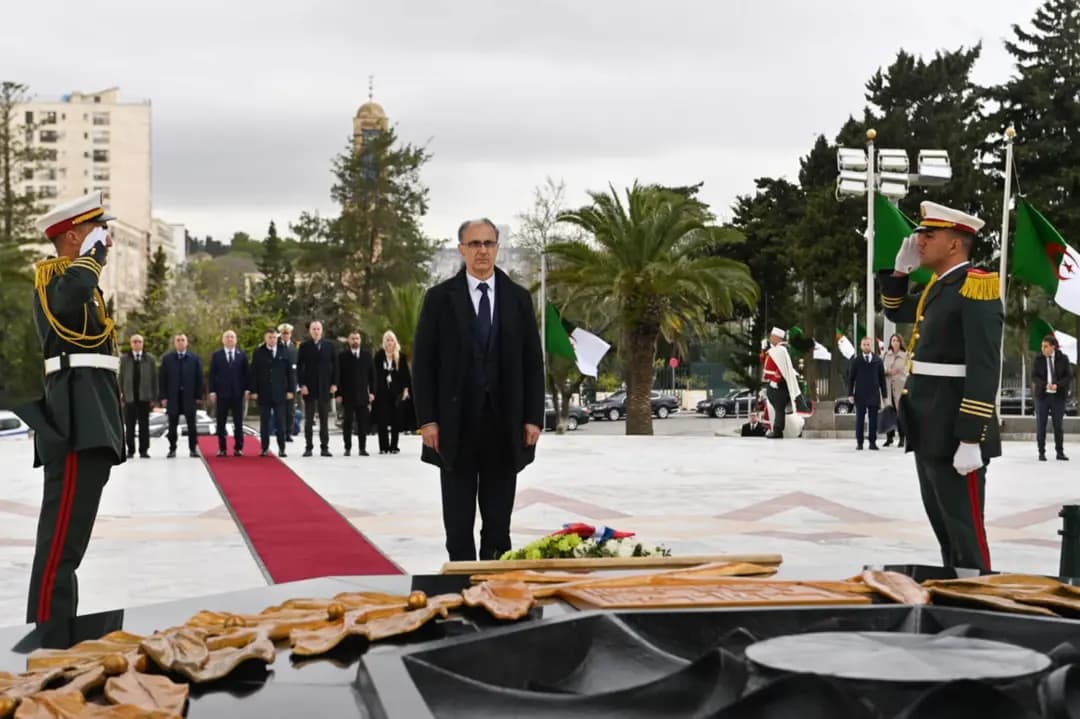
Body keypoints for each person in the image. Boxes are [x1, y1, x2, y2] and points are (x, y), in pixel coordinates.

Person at [14, 191, 124, 624]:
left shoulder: (79, 283)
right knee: (59, 547)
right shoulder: (57, 282)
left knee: (68, 547)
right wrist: (92, 256)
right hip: (76, 425)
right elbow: (68, 296)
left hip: (92, 421)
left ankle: (56, 630)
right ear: (77, 236)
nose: (109, 243)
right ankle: (45, 638)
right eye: (101, 233)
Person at [413, 218, 544, 561]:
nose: (482, 250)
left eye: (488, 243)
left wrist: (533, 418)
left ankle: (496, 590)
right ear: (462, 250)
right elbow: (423, 364)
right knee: (457, 525)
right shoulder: (439, 299)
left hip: (504, 428)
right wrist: (428, 421)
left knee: (498, 524)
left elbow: (533, 362)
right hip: (455, 429)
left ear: (498, 247)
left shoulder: (518, 299)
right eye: (475, 244)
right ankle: (461, 590)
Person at [880, 201, 1002, 571]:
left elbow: (984, 367)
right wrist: (900, 272)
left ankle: (978, 598)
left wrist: (970, 437)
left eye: (929, 235)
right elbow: (895, 310)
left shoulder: (976, 287)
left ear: (953, 244)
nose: (919, 241)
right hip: (929, 424)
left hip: (954, 429)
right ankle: (956, 595)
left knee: (966, 532)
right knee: (944, 526)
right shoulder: (941, 286)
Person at [249, 328, 295, 457]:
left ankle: (282, 448)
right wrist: (254, 390)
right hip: (264, 393)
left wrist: (291, 390)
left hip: (280, 393)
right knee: (264, 422)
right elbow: (254, 373)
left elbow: (289, 373)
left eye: (274, 337)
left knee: (280, 422)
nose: (272, 339)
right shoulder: (259, 352)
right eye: (270, 337)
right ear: (265, 338)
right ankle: (264, 448)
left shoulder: (283, 351)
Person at [297, 320, 339, 457]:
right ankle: (308, 447)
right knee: (308, 420)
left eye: (318, 329)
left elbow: (336, 367)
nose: (316, 331)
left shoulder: (330, 346)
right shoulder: (304, 346)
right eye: (313, 329)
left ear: (322, 330)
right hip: (309, 387)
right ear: (310, 331)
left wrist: (334, 384)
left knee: (324, 419)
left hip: (325, 388)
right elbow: (299, 367)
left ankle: (324, 447)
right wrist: (302, 385)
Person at [158, 334, 203, 458]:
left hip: (189, 397)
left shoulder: (194, 358)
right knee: (172, 425)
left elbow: (199, 378)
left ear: (187, 343)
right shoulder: (167, 359)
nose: (180, 342)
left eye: (183, 340)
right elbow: (162, 379)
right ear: (174, 343)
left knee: (192, 425)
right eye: (178, 340)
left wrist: (199, 396)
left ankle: (193, 449)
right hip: (173, 397)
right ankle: (172, 448)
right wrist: (163, 397)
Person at [208, 330, 250, 457]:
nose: (230, 339)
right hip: (222, 394)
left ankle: (238, 448)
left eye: (232, 337)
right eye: (227, 337)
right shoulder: (217, 355)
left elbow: (246, 374)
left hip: (238, 394)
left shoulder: (241, 355)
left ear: (236, 340)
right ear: (223, 340)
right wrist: (212, 391)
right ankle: (222, 448)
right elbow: (212, 375)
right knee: (221, 422)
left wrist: (247, 389)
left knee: (238, 423)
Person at [1032, 334, 1072, 462]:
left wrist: (1057, 385)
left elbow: (1069, 376)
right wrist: (1045, 385)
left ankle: (1060, 452)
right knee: (1041, 425)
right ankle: (1041, 452)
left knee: (1058, 426)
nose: (1043, 349)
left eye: (1045, 346)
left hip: (1058, 396)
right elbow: (1034, 376)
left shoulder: (1063, 358)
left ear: (1053, 347)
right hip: (1042, 396)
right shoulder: (1038, 359)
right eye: (1042, 347)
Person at [373, 330, 413, 455]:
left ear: (395, 342)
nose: (389, 342)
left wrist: (406, 390)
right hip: (382, 392)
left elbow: (406, 376)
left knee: (396, 419)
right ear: (384, 342)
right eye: (387, 340)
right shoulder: (379, 356)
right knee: (382, 420)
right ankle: (383, 446)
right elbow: (374, 374)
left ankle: (394, 446)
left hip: (396, 392)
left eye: (391, 340)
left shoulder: (400, 357)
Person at [119, 334, 157, 459]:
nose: (137, 344)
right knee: (129, 426)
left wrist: (154, 397)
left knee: (144, 426)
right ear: (131, 344)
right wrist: (120, 393)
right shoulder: (124, 359)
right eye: (134, 341)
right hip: (129, 397)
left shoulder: (149, 359)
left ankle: (144, 450)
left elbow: (154, 379)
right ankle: (130, 450)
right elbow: (120, 378)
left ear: (143, 343)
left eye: (139, 341)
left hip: (144, 398)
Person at [337, 331, 374, 457]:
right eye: (352, 338)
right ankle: (347, 448)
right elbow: (338, 376)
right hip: (347, 396)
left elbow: (372, 376)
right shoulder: (342, 357)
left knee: (362, 423)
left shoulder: (367, 356)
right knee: (347, 423)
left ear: (360, 340)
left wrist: (372, 392)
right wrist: (338, 394)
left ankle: (362, 448)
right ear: (348, 340)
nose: (355, 341)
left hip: (362, 395)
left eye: (357, 338)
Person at [847, 337, 887, 451]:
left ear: (871, 346)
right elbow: (851, 379)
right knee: (860, 419)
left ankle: (873, 442)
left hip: (874, 394)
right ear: (861, 346)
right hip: (860, 395)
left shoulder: (878, 361)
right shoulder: (856, 361)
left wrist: (884, 395)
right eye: (864, 344)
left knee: (873, 419)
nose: (866, 346)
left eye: (868, 344)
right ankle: (859, 442)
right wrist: (850, 394)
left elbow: (882, 379)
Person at [762, 328, 801, 439]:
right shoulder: (776, 350)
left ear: (777, 338)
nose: (770, 338)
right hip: (774, 383)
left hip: (778, 385)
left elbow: (782, 368)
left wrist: (775, 379)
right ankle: (777, 429)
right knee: (778, 409)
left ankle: (778, 430)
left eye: (772, 336)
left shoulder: (781, 350)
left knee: (779, 409)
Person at [882, 334, 908, 447]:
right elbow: (881, 368)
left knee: (900, 414)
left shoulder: (905, 355)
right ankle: (889, 437)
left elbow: (907, 369)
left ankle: (902, 438)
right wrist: (887, 371)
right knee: (889, 412)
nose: (895, 342)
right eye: (893, 340)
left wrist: (897, 371)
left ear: (900, 342)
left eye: (897, 340)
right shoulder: (886, 355)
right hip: (888, 387)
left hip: (900, 387)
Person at [278, 323, 300, 443]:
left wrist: (298, 384)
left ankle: (288, 433)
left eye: (287, 333)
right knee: (280, 410)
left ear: (290, 334)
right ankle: (280, 431)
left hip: (292, 383)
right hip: (279, 383)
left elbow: (299, 366)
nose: (285, 335)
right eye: (283, 333)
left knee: (290, 410)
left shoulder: (295, 347)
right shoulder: (277, 347)